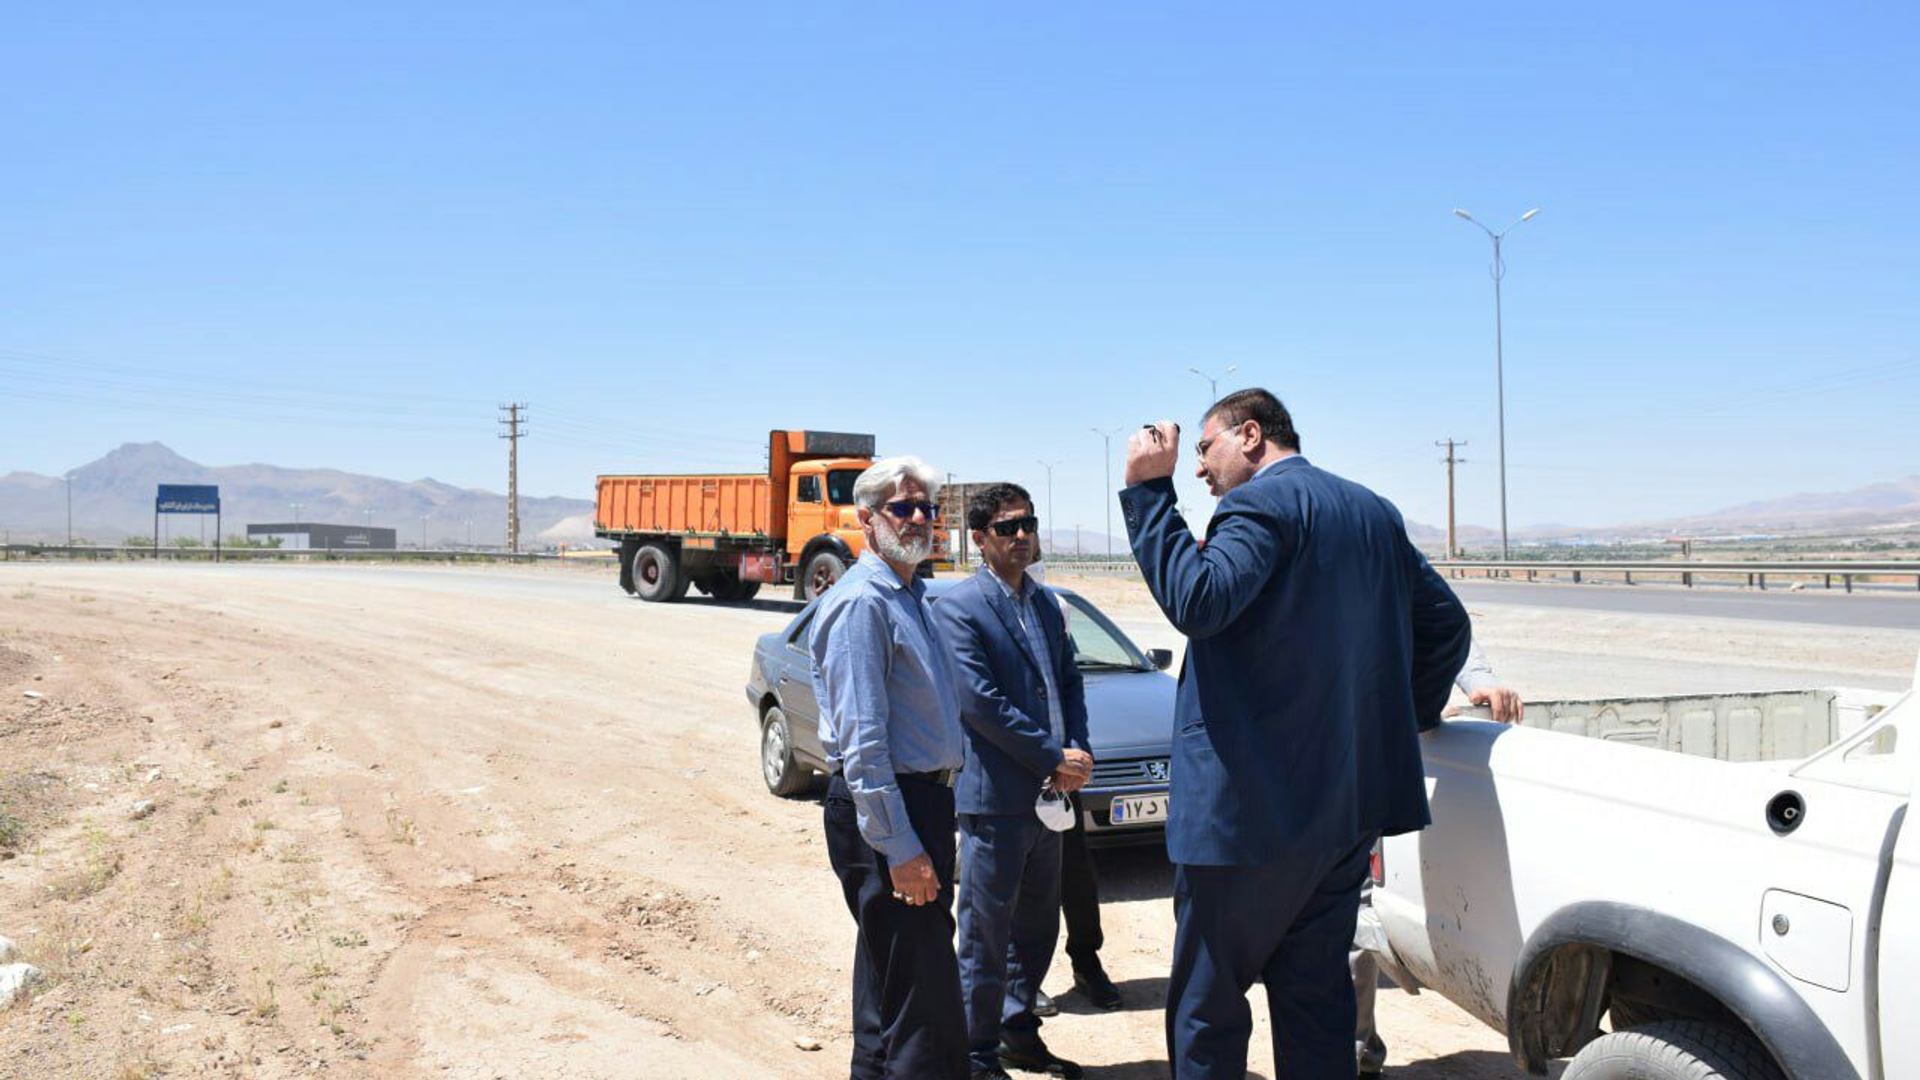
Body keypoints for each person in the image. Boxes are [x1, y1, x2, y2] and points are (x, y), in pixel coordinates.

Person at [1119, 389, 1472, 1080]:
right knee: (1316, 1010)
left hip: (1244, 824)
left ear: (1250, 435)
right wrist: (1404, 719)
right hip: (1340, 818)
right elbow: (1447, 628)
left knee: (1208, 1008)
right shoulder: (1371, 512)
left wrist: (1148, 492)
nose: (1199, 469)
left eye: (1204, 448)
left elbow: (1199, 600)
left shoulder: (1257, 505)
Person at [810, 456, 969, 1080]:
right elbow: (864, 742)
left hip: (919, 804)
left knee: (890, 987)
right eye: (901, 508)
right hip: (888, 810)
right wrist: (900, 846)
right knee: (924, 1007)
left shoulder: (913, 596)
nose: (918, 519)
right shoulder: (861, 604)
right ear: (867, 519)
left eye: (926, 508)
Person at [933, 483, 1093, 1080]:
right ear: (980, 540)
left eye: (1028, 523)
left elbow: (1070, 683)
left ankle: (1018, 1033)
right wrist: (1053, 755)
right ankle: (974, 1055)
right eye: (1007, 527)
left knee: (1035, 928)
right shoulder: (959, 608)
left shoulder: (1048, 605)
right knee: (984, 936)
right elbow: (979, 701)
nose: (1022, 535)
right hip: (996, 801)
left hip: (1050, 798)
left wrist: (1077, 750)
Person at [1352, 639, 1523, 1080]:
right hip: (1341, 763)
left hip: (1379, 771)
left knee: (1354, 918)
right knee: (1343, 921)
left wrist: (1480, 684)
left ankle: (1354, 1056)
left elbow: (1443, 622)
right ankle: (1352, 1054)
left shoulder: (1387, 569)